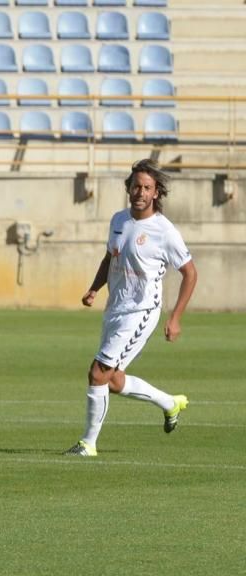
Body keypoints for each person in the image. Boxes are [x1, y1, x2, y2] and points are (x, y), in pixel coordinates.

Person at [65, 159, 198, 457]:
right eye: (136, 186)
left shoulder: (165, 231)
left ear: (156, 193)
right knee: (112, 380)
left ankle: (88, 443)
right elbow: (109, 258)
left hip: (141, 311)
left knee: (98, 373)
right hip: (115, 308)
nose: (140, 192)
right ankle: (169, 403)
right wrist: (94, 288)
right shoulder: (118, 220)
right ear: (128, 188)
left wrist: (175, 317)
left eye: (147, 187)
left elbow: (190, 273)